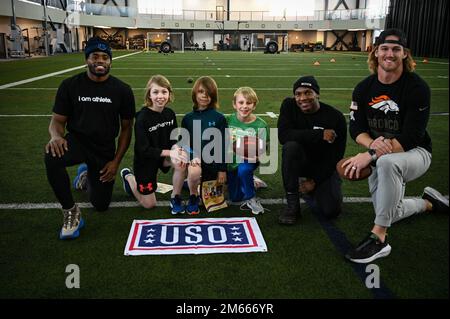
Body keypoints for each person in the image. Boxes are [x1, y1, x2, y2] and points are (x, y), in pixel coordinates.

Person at [342, 28, 449, 263]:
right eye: (385, 48)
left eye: (396, 49)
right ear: (376, 53)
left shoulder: (417, 88)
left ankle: (379, 239)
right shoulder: (363, 88)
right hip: (381, 154)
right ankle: (429, 203)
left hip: (416, 153)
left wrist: (371, 154)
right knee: (390, 210)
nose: (390, 54)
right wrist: (372, 146)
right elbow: (356, 129)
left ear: (404, 55)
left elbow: (411, 136)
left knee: (387, 164)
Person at [44, 37, 135, 240]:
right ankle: (70, 211)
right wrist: (55, 136)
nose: (100, 61)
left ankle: (86, 177)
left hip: (104, 149)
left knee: (100, 205)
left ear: (110, 61)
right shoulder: (70, 85)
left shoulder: (122, 90)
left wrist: (115, 162)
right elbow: (57, 120)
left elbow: (127, 129)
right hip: (77, 142)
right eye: (95, 56)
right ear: (87, 59)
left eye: (104, 57)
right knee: (51, 156)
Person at [277, 75, 347, 225]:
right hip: (300, 161)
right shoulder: (289, 106)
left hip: (322, 165)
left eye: (308, 92)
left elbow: (336, 156)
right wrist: (319, 134)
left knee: (331, 211)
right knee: (290, 147)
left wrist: (315, 181)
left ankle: (315, 187)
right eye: (298, 94)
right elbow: (283, 136)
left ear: (317, 94)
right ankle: (292, 205)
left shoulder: (335, 117)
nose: (302, 98)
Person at [120, 75, 187, 210]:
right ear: (149, 95)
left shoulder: (169, 113)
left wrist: (176, 149)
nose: (160, 96)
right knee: (149, 204)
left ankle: (176, 197)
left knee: (182, 160)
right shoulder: (142, 118)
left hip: (163, 157)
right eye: (155, 92)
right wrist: (171, 152)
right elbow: (143, 150)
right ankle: (128, 176)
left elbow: (173, 138)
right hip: (146, 161)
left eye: (164, 92)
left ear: (169, 94)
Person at [175, 76, 228, 215]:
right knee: (194, 173)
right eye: (201, 92)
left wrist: (222, 169)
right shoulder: (188, 118)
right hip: (196, 161)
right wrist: (193, 156)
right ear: (195, 94)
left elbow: (223, 145)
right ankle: (193, 196)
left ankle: (192, 183)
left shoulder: (219, 118)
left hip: (212, 163)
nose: (204, 96)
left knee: (211, 199)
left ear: (213, 96)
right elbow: (183, 142)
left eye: (208, 93)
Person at [226, 87, 269, 215]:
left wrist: (255, 158)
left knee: (244, 170)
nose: (244, 106)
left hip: (248, 160)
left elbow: (262, 151)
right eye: (241, 102)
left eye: (249, 103)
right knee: (235, 197)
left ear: (254, 105)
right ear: (234, 104)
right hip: (230, 161)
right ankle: (252, 181)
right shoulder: (227, 120)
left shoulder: (261, 125)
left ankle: (251, 197)